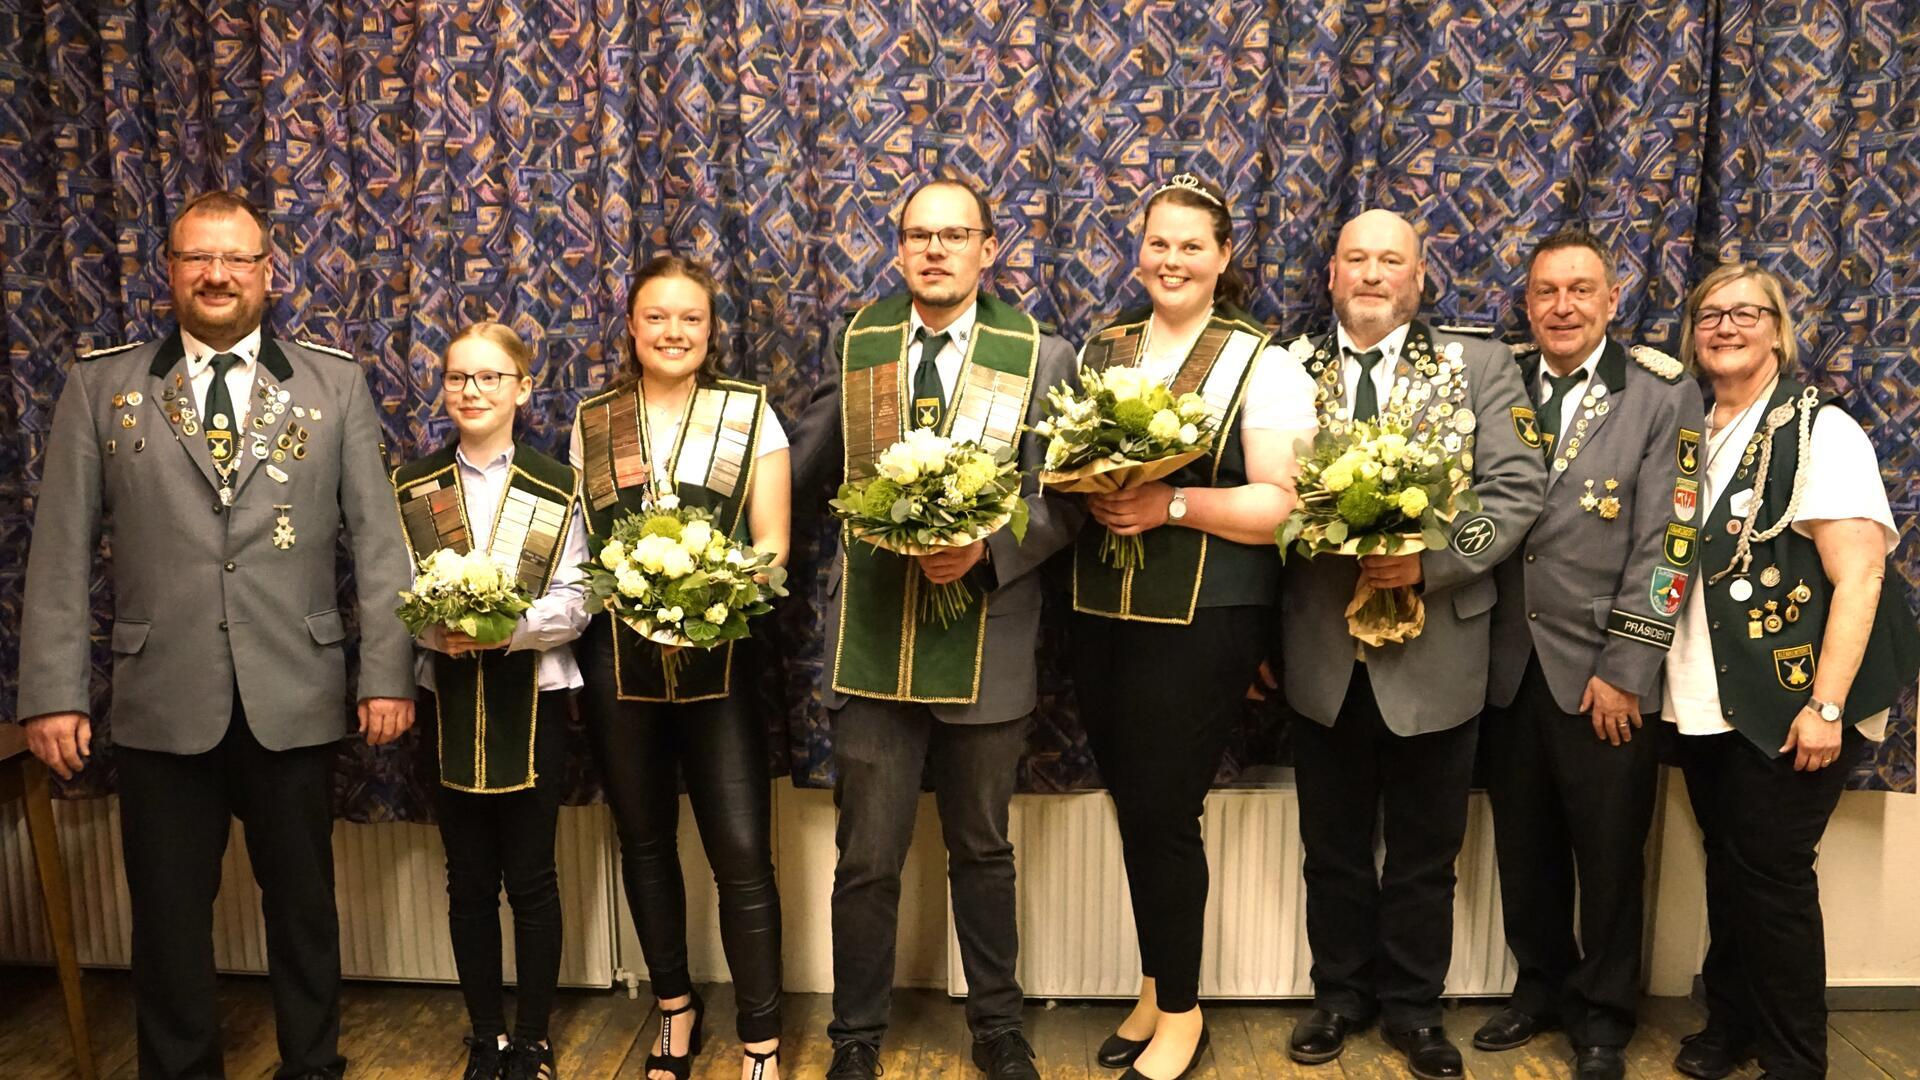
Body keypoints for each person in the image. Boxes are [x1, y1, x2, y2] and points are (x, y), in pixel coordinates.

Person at [15, 190, 416, 1080]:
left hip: (293, 690)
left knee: (305, 909)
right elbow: (60, 549)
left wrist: (386, 673)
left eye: (237, 258)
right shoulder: (101, 385)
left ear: (269, 273)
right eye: (198, 257)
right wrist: (52, 693)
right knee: (166, 915)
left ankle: (312, 1066)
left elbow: (380, 544)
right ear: (170, 272)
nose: (218, 274)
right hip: (163, 695)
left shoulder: (331, 382)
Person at [787, 176, 1080, 1080]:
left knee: (983, 850)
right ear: (900, 247)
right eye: (919, 235)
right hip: (874, 641)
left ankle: (998, 1026)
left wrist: (988, 549)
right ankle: (855, 1039)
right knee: (866, 859)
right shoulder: (863, 343)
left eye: (956, 235)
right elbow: (804, 461)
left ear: (989, 249)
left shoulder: (1040, 353)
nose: (937, 250)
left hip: (987, 642)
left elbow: (1064, 498)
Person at [1278, 209, 1547, 1080]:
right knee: (1334, 850)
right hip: (1320, 652)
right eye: (1355, 258)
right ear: (1331, 275)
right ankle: (1339, 1000)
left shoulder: (1479, 364)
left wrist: (1430, 566)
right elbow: (1261, 495)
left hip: (1440, 655)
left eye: (1390, 260)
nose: (1370, 273)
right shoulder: (1286, 367)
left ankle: (1414, 1012)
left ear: (1418, 278)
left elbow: (1515, 490)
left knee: (1428, 856)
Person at [1068, 173, 1316, 1080]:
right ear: (1140, 251)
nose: (1171, 260)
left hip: (1207, 615)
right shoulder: (1104, 350)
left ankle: (1183, 1012)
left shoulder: (1263, 360)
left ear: (1222, 259)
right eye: (1157, 243)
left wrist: (1171, 503)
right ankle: (1153, 984)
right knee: (1135, 805)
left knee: (1168, 812)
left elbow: (1279, 506)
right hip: (1102, 610)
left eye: (1191, 246)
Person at [1660, 263, 1919, 1080]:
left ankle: (1797, 1060)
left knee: (1769, 877)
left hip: (1797, 695)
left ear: (1778, 329)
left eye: (1746, 313)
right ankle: (1731, 1024)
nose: (1725, 326)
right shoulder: (1693, 426)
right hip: (1706, 694)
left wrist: (1828, 707)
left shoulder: (1819, 431)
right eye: (1710, 314)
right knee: (1732, 867)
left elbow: (1862, 574)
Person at [1476, 228, 1707, 1080]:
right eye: (1545, 292)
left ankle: (1604, 1014)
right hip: (1503, 661)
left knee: (1609, 853)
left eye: (1581, 291)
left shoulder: (1659, 392)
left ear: (1613, 300)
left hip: (1604, 669)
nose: (1562, 307)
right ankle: (1538, 987)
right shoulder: (1499, 379)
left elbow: (1669, 540)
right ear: (1527, 304)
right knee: (1523, 844)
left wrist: (1628, 669)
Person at [572, 256, 791, 1080]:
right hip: (618, 662)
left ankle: (761, 1037)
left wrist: (705, 601)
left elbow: (772, 548)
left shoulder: (750, 412)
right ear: (631, 326)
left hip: (722, 662)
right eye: (656, 317)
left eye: (689, 319)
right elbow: (583, 553)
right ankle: (673, 1009)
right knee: (645, 841)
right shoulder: (595, 419)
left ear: (710, 330)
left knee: (740, 851)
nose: (672, 332)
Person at [394, 322, 588, 1080]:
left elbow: (578, 600)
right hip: (447, 704)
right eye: (457, 378)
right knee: (467, 879)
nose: (471, 391)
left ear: (522, 388)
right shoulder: (412, 485)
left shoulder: (554, 483)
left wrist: (508, 630)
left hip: (533, 703)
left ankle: (533, 1039)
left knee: (532, 877)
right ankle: (484, 1035)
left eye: (489, 378)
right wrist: (435, 637)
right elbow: (395, 595)